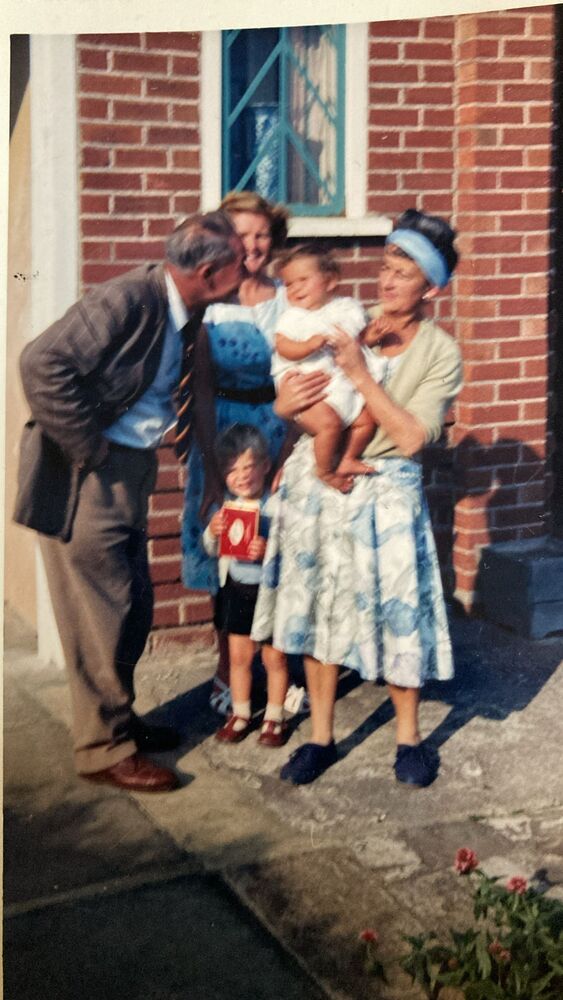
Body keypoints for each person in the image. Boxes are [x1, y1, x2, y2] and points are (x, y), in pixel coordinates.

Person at [14, 211, 244, 793]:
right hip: (87, 474)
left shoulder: (189, 311)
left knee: (133, 606)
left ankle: (119, 722)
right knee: (102, 614)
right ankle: (102, 749)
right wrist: (92, 451)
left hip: (130, 468)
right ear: (211, 272)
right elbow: (41, 364)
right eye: (241, 261)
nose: (250, 269)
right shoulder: (130, 299)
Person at [251, 208, 464, 789]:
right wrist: (284, 410)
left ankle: (409, 738)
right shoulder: (344, 317)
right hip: (318, 481)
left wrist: (362, 374)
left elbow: (416, 435)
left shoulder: (440, 352)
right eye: (386, 267)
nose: (388, 281)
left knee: (400, 614)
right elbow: (290, 399)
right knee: (319, 607)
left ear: (431, 287)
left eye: (404, 272)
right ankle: (321, 736)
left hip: (387, 484)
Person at [180, 191, 290, 715]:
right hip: (222, 437)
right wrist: (207, 468)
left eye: (262, 234)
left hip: (278, 433)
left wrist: (289, 452)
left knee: (277, 555)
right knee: (226, 555)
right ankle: (229, 669)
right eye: (242, 235)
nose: (253, 245)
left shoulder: (292, 300)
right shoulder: (211, 305)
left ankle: (277, 675)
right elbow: (200, 390)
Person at [272, 243, 387, 490]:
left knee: (367, 420)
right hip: (311, 392)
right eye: (289, 284)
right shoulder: (293, 317)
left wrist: (370, 337)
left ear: (330, 281)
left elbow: (354, 340)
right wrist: (308, 346)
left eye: (303, 279)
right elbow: (283, 347)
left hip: (342, 387)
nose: (295, 288)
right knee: (329, 425)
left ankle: (347, 458)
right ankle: (324, 471)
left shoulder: (347, 308)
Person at [202, 424, 289, 747]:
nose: (241, 476)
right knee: (239, 657)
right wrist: (212, 532)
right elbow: (212, 549)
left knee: (274, 659)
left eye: (248, 467)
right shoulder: (225, 507)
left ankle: (274, 717)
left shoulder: (276, 505)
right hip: (237, 589)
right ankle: (240, 713)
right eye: (231, 470)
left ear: (266, 466)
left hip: (270, 594)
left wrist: (269, 551)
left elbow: (294, 551)